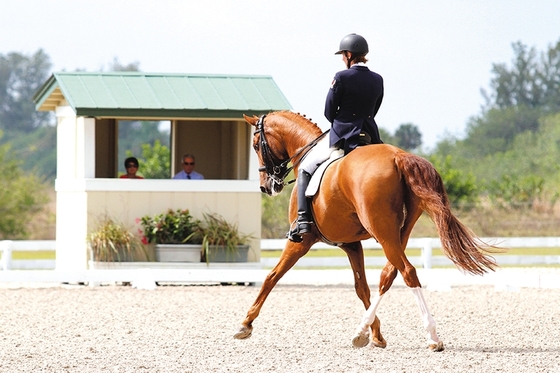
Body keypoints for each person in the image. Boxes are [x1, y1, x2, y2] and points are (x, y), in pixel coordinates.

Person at [287, 33, 384, 242]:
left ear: (349, 55)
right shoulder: (378, 79)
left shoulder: (341, 77)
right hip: (370, 136)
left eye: (343, 55)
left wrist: (342, 122)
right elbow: (374, 109)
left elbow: (329, 112)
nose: (342, 59)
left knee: (305, 167)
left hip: (344, 136)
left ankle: (302, 220)